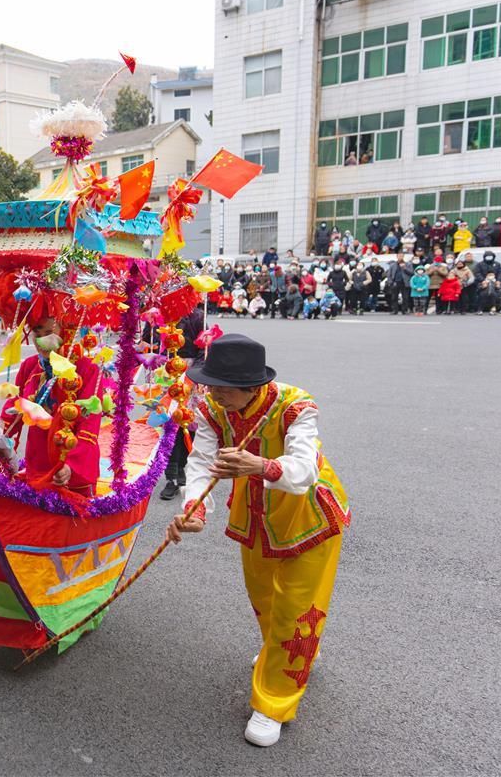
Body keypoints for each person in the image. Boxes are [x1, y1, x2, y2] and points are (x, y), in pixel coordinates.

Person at [169, 334, 349, 748]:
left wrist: (261, 466)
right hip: (253, 515)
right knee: (264, 600)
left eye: (221, 387)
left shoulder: (296, 406)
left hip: (308, 518)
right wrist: (194, 507)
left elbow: (303, 471)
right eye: (209, 384)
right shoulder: (214, 408)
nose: (212, 393)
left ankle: (273, 703)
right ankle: (288, 653)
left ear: (253, 386)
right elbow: (201, 461)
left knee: (294, 610)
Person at [4, 313, 101, 495]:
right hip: (38, 459)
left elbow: (90, 425)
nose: (41, 341)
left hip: (72, 467)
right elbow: (12, 409)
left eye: (49, 333)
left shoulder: (87, 369)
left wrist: (72, 465)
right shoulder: (30, 366)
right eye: (37, 333)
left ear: (65, 332)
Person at [160, 304, 205, 501]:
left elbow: (205, 349)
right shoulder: (163, 314)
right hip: (168, 372)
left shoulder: (197, 316)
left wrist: (196, 374)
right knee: (170, 422)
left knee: (188, 422)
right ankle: (171, 476)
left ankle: (183, 466)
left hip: (191, 374)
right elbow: (150, 342)